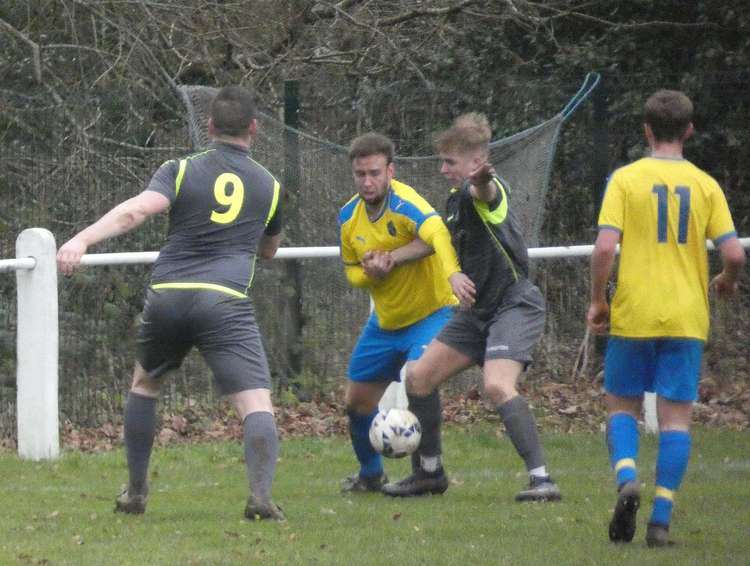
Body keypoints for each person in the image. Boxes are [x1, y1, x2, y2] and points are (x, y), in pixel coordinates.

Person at [57, 86, 286, 521]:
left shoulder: (179, 170)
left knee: (145, 385)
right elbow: (269, 250)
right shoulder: (272, 187)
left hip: (169, 296)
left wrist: (82, 238)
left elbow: (137, 211)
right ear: (254, 128)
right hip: (225, 301)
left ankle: (136, 493)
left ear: (211, 127)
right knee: (255, 403)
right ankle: (259, 497)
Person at [587, 89, 745, 547]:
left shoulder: (625, 179)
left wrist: (599, 300)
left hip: (635, 312)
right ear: (690, 131)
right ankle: (659, 522)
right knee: (675, 421)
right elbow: (733, 251)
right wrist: (728, 280)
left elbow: (603, 247)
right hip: (685, 316)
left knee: (622, 407)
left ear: (647, 131)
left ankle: (626, 477)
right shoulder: (705, 184)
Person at [383, 113, 561, 502]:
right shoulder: (452, 202)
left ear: (476, 163)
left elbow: (487, 193)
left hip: (513, 306)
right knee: (418, 377)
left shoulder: (486, 192)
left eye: (450, 162)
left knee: (497, 385)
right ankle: (429, 474)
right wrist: (399, 259)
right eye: (444, 161)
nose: (443, 168)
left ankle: (542, 480)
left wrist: (482, 180)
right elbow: (438, 243)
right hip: (476, 312)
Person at [338, 132, 469, 494]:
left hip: (432, 313)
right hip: (385, 322)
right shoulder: (349, 217)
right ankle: (370, 474)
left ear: (390, 171)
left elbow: (437, 234)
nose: (367, 181)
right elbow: (350, 271)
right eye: (360, 174)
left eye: (375, 173)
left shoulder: (406, 203)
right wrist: (369, 273)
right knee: (357, 402)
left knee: (417, 377)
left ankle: (429, 470)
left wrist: (398, 260)